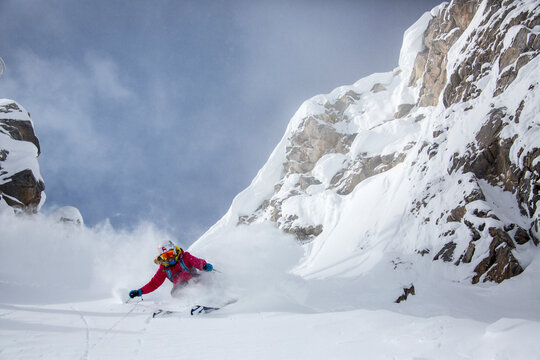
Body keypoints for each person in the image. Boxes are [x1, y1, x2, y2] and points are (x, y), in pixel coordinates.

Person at [129, 240, 213, 298]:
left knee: (205, 277)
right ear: (162, 257)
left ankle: (213, 294)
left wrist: (204, 266)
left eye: (170, 253)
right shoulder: (164, 269)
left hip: (194, 279)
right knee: (175, 293)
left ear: (175, 251)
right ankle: (188, 304)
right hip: (181, 287)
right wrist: (139, 291)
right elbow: (154, 284)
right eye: (165, 256)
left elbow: (197, 262)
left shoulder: (185, 257)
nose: (169, 258)